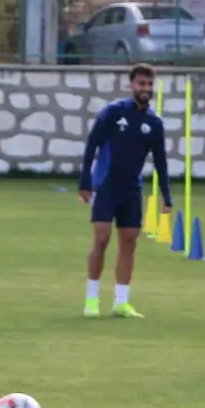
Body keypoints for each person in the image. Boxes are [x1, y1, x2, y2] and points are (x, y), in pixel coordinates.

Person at [79, 63, 171, 318]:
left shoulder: (154, 122)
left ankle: (121, 301)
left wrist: (165, 193)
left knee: (129, 241)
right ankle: (91, 299)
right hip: (106, 184)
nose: (146, 88)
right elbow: (92, 145)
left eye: (149, 84)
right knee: (101, 238)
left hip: (132, 189)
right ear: (131, 85)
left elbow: (160, 160)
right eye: (141, 83)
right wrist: (85, 181)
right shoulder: (113, 112)